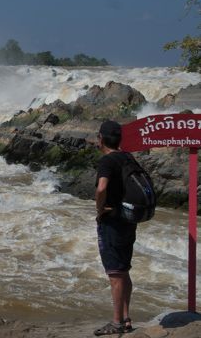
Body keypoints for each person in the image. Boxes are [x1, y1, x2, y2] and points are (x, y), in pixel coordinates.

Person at [93, 120, 137, 336]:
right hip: (129, 219)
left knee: (115, 274)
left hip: (113, 221)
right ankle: (126, 318)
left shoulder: (107, 161)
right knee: (124, 270)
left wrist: (99, 209)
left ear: (101, 139)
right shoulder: (128, 157)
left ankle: (117, 322)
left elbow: (102, 188)